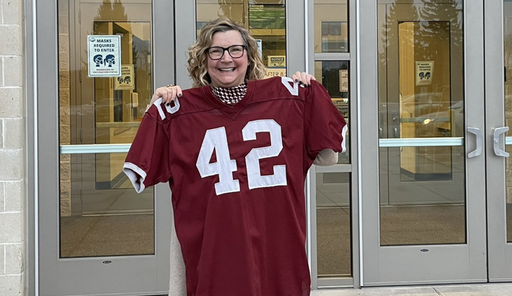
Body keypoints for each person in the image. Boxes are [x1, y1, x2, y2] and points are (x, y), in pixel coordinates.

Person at [123, 17, 347, 296]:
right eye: (215, 51)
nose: (226, 58)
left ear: (249, 57)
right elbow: (144, 163)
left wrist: (309, 95)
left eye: (235, 50)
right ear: (204, 59)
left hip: (274, 251)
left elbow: (328, 156)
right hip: (216, 254)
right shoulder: (177, 112)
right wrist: (157, 109)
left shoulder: (291, 101)